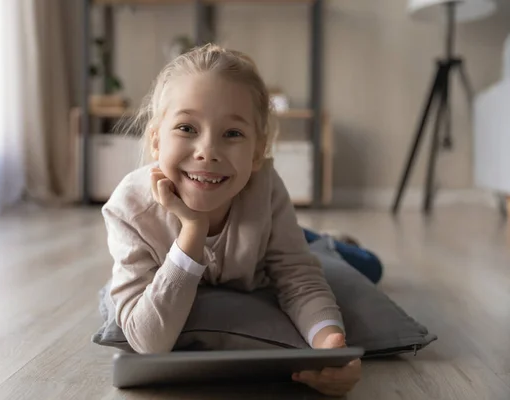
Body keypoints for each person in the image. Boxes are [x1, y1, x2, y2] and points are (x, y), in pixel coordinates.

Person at [101, 44, 361, 397]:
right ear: (156, 142)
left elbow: (298, 277)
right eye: (186, 128)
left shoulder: (265, 188)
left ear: (257, 152)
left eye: (233, 134)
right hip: (244, 246)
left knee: (364, 266)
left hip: (269, 246)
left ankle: (328, 241)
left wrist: (331, 346)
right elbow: (148, 339)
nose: (207, 151)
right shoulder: (129, 209)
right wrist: (192, 231)